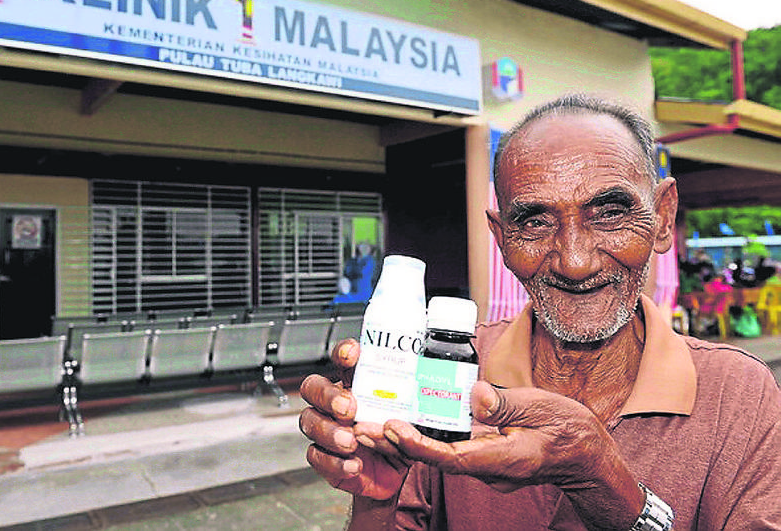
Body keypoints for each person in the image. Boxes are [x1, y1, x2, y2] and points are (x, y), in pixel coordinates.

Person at [298, 94, 781, 530]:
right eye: (534, 221)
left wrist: (601, 482)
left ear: (663, 218)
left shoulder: (738, 393)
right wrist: (376, 496)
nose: (574, 261)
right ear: (502, 237)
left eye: (609, 213)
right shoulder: (446, 375)